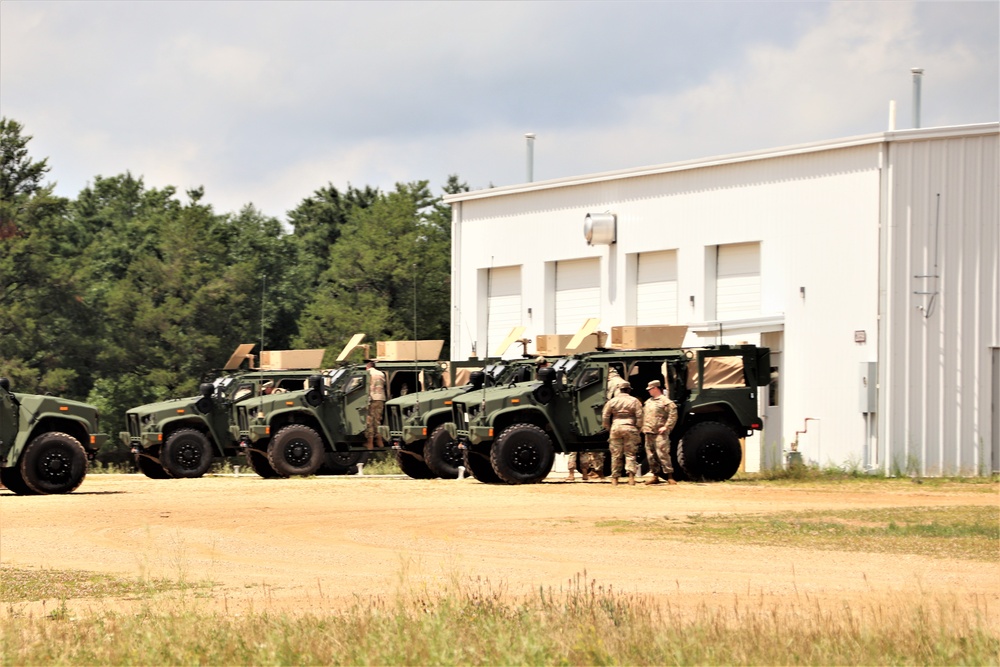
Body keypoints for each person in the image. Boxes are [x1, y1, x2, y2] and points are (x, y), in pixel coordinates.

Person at [601, 381, 644, 486]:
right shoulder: (634, 401)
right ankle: (631, 478)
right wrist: (637, 428)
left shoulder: (613, 401)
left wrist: (609, 428)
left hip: (616, 428)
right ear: (629, 390)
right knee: (630, 453)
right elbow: (640, 416)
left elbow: (605, 416)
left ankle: (615, 478)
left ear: (619, 390)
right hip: (630, 427)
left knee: (616, 454)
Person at [642, 380, 678, 485]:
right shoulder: (648, 402)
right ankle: (655, 475)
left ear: (655, 388)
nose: (649, 391)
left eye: (650, 389)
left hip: (659, 433)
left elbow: (673, 415)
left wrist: (666, 427)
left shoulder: (666, 402)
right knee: (651, 455)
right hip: (648, 432)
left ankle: (670, 476)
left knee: (663, 453)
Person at [365, 359, 388, 449]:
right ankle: (380, 441)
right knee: (377, 420)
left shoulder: (368, 373)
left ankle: (370, 443)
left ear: (367, 367)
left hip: (371, 399)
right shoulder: (381, 374)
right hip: (380, 398)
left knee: (369, 421)